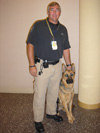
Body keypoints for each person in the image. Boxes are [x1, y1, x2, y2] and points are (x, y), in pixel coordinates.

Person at [26, 2, 72, 133]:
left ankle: (51, 113)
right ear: (48, 12)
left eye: (57, 10)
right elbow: (30, 45)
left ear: (60, 13)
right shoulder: (38, 25)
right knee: (40, 94)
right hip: (42, 65)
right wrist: (31, 65)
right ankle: (38, 120)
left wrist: (68, 66)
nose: (55, 12)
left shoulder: (63, 29)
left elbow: (66, 49)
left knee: (53, 91)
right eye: (52, 10)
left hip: (57, 65)